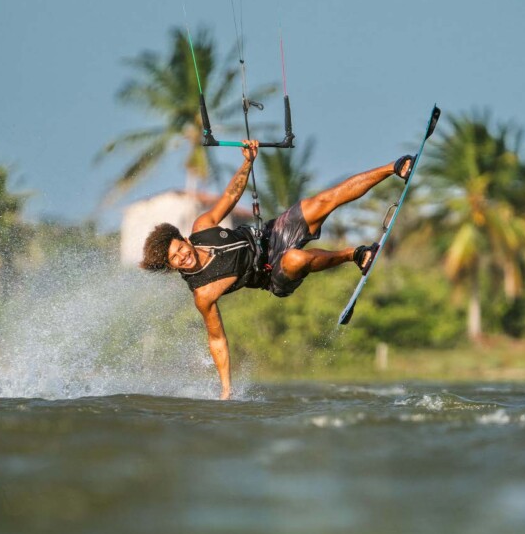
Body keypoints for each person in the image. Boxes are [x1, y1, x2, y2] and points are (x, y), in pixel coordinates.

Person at [140, 141, 414, 399]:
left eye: (180, 249)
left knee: (319, 202)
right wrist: (226, 390)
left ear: (185, 239)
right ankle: (356, 254)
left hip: (271, 235)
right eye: (175, 259)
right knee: (295, 259)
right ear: (170, 266)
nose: (183, 257)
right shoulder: (203, 293)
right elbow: (217, 341)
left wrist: (247, 162)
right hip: (273, 274)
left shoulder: (203, 227)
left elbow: (232, 194)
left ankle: (394, 167)